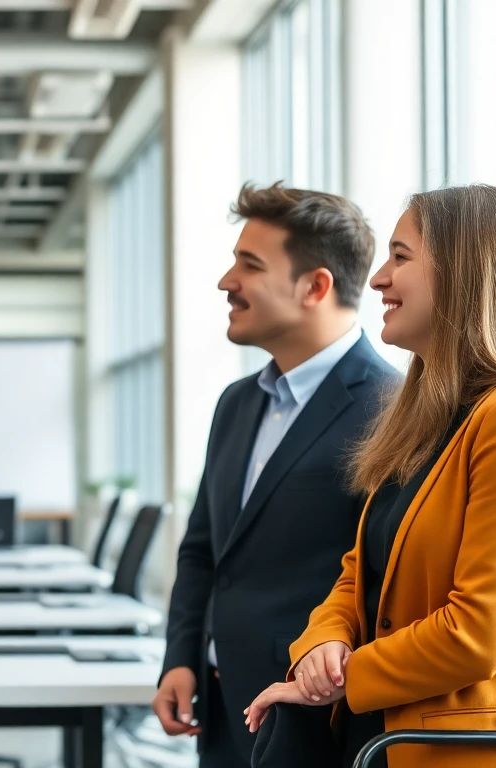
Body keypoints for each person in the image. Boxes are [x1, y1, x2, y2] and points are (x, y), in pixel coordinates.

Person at [246, 184, 496, 768]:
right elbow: (360, 571)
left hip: (470, 751)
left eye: (401, 256)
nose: (378, 279)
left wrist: (340, 679)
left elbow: (478, 634)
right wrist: (324, 643)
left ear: (465, 270)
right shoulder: (431, 420)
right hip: (380, 738)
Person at [152, 183, 400, 766]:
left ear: (315, 286)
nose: (226, 281)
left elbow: (384, 581)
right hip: (219, 704)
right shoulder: (236, 404)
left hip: (314, 718)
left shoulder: (390, 409)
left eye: (250, 265)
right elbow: (203, 550)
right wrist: (181, 655)